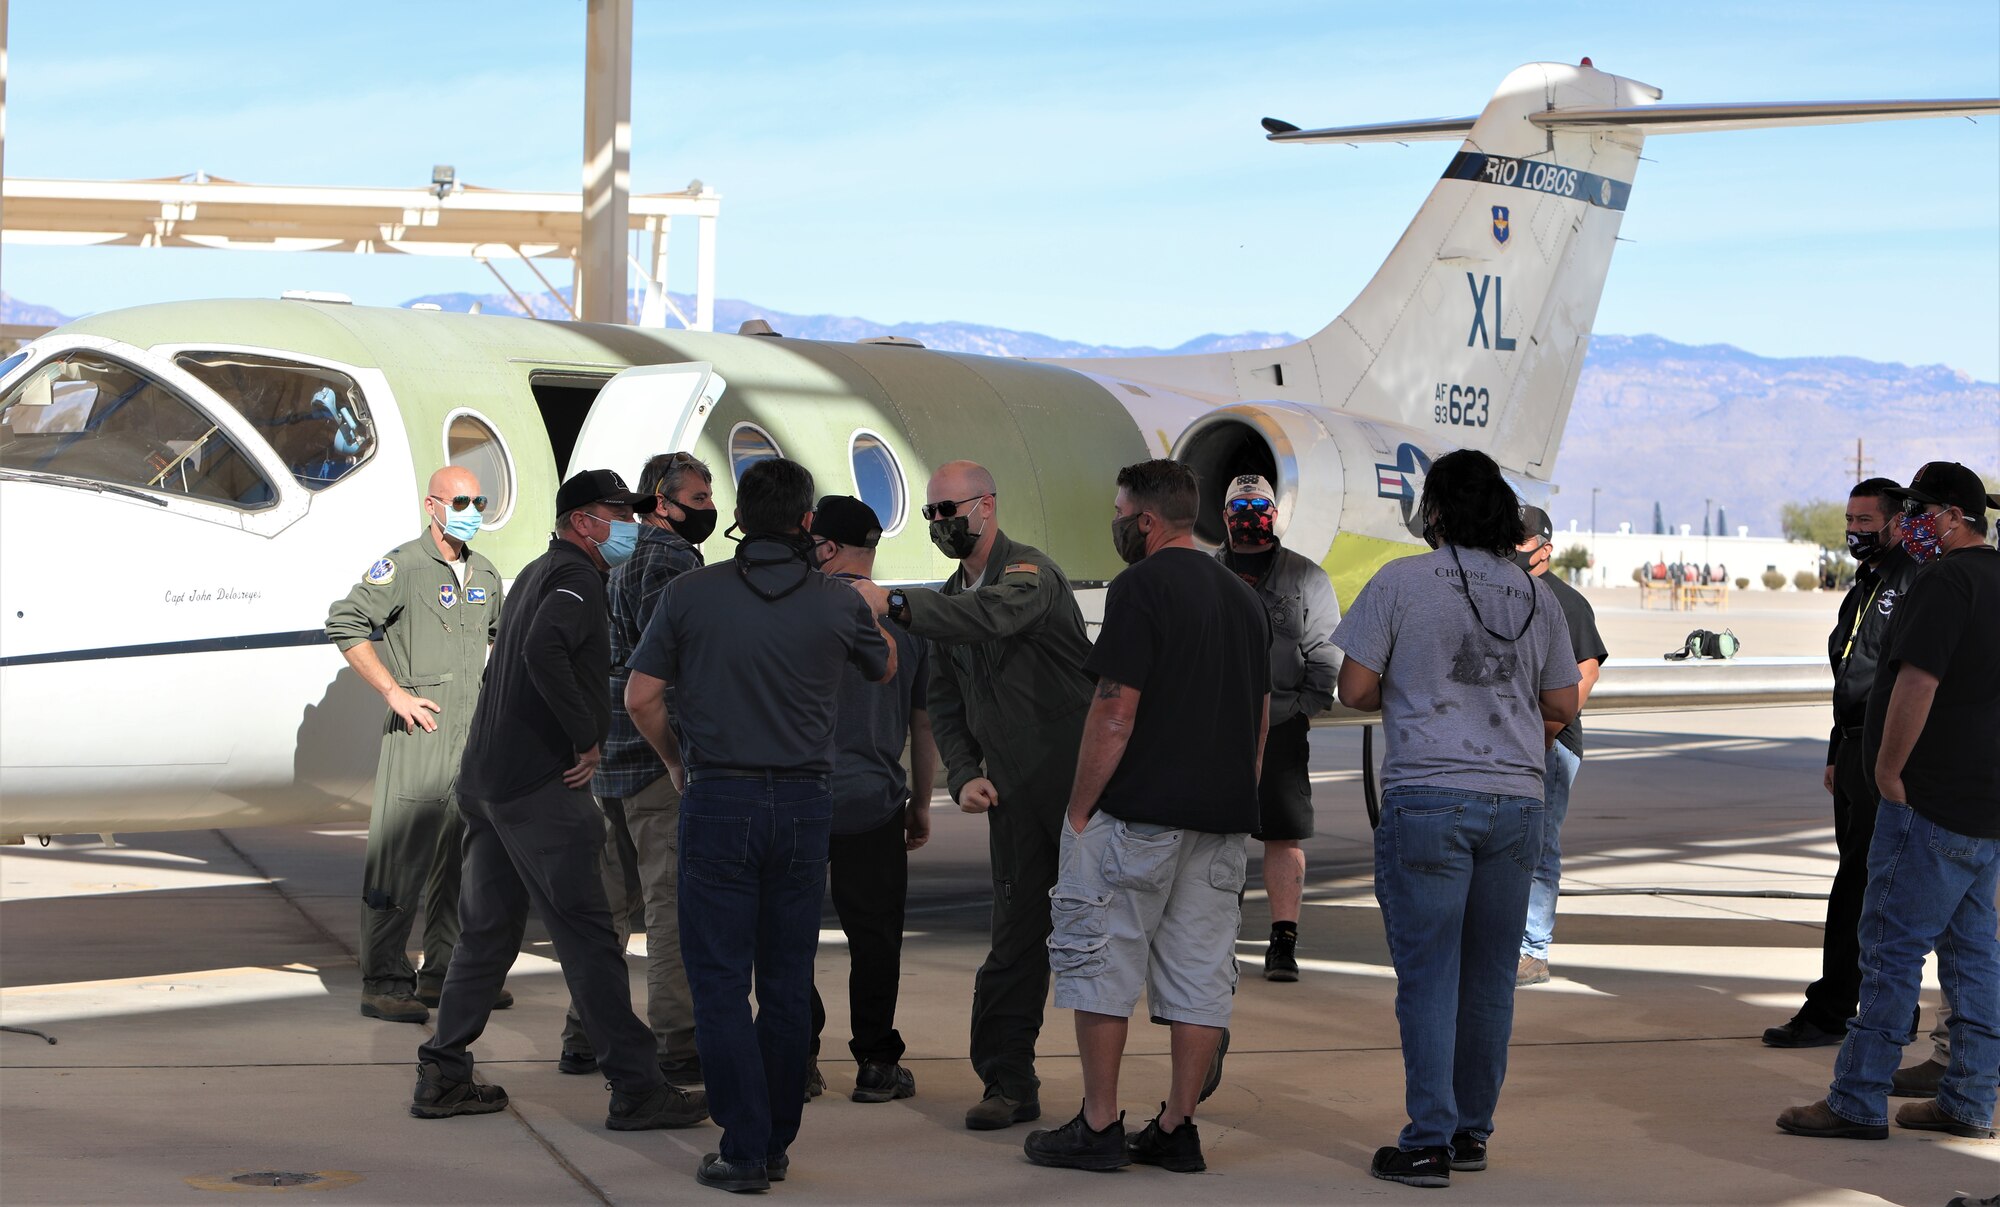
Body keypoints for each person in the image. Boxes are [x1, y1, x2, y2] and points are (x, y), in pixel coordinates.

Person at [624, 459, 895, 1193]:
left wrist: (679, 762)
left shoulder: (690, 593)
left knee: (717, 982)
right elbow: (883, 669)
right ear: (808, 523)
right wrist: (868, 607)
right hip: (806, 803)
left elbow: (641, 696)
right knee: (783, 979)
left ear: (741, 515)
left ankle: (741, 1146)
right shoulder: (835, 604)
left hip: (719, 797)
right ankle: (775, 1140)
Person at [413, 469, 708, 1134]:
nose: (630, 523)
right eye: (617, 511)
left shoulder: (537, 572)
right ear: (583, 520)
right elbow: (547, 649)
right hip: (538, 791)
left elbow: (510, 665)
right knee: (590, 937)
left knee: (486, 933)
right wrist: (587, 735)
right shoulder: (577, 579)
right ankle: (637, 1087)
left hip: (488, 783)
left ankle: (443, 1070)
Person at [1332, 449, 1579, 1188]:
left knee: (1430, 974)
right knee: (1489, 976)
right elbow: (1564, 705)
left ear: (1432, 512)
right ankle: (1472, 1130)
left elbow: (1353, 688)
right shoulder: (1539, 596)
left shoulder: (1401, 582)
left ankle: (1428, 1138)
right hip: (1517, 804)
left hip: (1431, 795)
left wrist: (1417, 692)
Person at [1022, 459, 1270, 1176]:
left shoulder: (1141, 586)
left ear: (1147, 520)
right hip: (1220, 820)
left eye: (1119, 510)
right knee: (1199, 972)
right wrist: (1238, 793)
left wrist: (1077, 808)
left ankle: (1099, 1122)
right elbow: (1259, 717)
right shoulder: (1243, 596)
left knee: (1100, 956)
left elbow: (1114, 709)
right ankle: (1177, 1124)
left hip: (1139, 817)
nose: (1117, 522)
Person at [852, 461, 1094, 1131]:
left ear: (988, 505)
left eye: (950, 510)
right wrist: (960, 773)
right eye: (930, 514)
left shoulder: (1028, 577)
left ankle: (1198, 1030)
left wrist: (896, 603)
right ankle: (1008, 1081)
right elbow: (942, 698)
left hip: (1082, 791)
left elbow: (990, 618)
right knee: (1015, 942)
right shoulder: (951, 596)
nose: (941, 523)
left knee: (1119, 932)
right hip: (1013, 797)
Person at [1779, 461, 1999, 1143]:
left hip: (1929, 800)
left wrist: (1888, 769)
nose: (1913, 527)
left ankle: (1857, 1095)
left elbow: (1915, 683)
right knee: (1973, 957)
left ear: (1951, 516)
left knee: (1890, 950)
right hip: (1985, 804)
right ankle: (1969, 1096)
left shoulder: (1945, 581)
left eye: (1922, 512)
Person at [327, 465, 511, 1024]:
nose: (471, 512)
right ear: (431, 505)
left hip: (471, 735)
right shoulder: (403, 566)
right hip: (422, 733)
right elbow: (346, 623)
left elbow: (501, 641)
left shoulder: (485, 572)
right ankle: (384, 979)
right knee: (399, 859)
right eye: (460, 501)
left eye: (479, 502)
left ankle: (444, 973)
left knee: (459, 860)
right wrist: (394, 692)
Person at [557, 451, 715, 1083]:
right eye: (699, 500)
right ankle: (678, 1040)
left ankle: (583, 1032)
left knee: (606, 910)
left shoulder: (609, 562)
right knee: (669, 907)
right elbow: (677, 666)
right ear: (662, 499)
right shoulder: (674, 562)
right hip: (656, 755)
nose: (708, 511)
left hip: (606, 752)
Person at [1763, 478, 1916, 1048]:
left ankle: (1836, 1010)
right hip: (1854, 749)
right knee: (1860, 880)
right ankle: (1872, 1008)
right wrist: (1837, 749)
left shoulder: (1913, 581)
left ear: (1898, 521)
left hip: (1884, 752)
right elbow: (1849, 674)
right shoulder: (1866, 583)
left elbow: (1902, 680)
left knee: (1862, 886)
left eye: (1866, 521)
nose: (1854, 530)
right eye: (1850, 521)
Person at [805, 495, 936, 1104]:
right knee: (875, 938)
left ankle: (797, 1056)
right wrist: (922, 803)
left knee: (788, 932)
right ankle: (877, 1061)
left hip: (800, 799)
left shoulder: (798, 610)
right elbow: (922, 723)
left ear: (825, 547)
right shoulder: (904, 622)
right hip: (874, 802)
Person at [1210, 473, 1340, 982]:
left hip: (1283, 724)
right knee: (1217, 836)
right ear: (1224, 516)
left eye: (1258, 504)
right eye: (1239, 505)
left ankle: (1282, 943)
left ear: (1274, 514)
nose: (1248, 513)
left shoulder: (1307, 577)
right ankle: (1220, 940)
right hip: (1218, 729)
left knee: (1282, 837)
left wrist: (1303, 709)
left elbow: (1326, 654)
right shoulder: (1208, 573)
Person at [1514, 505, 1609, 986]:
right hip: (1511, 741)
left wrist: (1546, 731)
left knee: (1539, 845)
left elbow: (1583, 674)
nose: (1513, 547)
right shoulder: (1505, 593)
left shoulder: (1566, 603)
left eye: (1522, 539)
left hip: (1549, 746)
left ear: (1545, 548)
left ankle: (1533, 950)